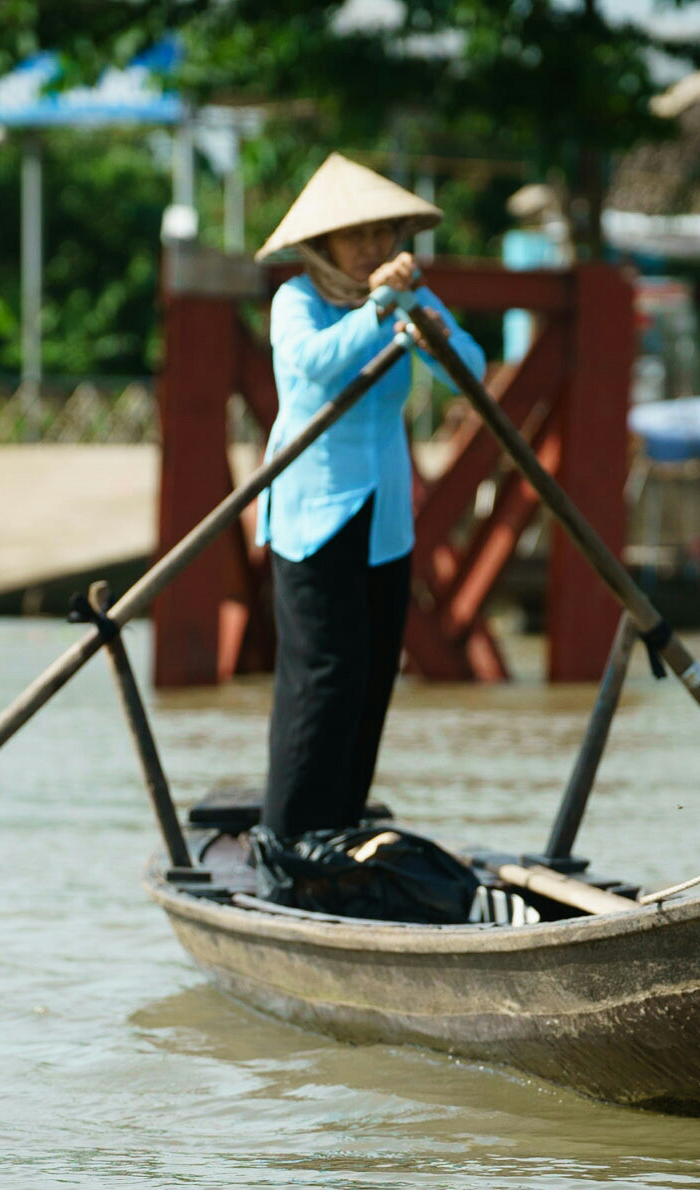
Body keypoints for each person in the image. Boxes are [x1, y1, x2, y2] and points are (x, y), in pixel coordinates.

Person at [251, 153, 487, 840]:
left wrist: (431, 332)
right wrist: (384, 306)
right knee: (323, 674)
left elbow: (470, 373)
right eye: (356, 237)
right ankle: (293, 837)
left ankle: (342, 831)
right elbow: (319, 369)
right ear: (321, 245)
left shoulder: (410, 293)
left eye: (383, 235)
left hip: (384, 519)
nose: (372, 250)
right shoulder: (294, 301)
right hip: (312, 516)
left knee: (373, 672)